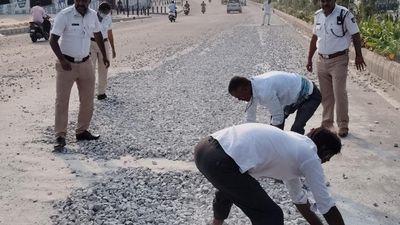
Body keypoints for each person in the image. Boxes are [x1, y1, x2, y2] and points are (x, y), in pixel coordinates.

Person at [194, 123, 345, 225]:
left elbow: (299, 198)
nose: (324, 162)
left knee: (229, 189)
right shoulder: (310, 155)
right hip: (221, 162)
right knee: (271, 216)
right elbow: (326, 204)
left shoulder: (293, 144)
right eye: (327, 158)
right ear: (325, 150)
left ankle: (216, 223)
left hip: (203, 150)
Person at [49, 0, 110, 152]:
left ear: (89, 1)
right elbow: (53, 39)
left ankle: (82, 131)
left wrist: (104, 55)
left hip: (85, 63)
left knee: (88, 99)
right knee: (62, 101)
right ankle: (60, 136)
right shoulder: (64, 15)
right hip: (66, 65)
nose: (82, 2)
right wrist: (62, 60)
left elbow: (97, 35)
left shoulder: (93, 16)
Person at [306, 0, 366, 138]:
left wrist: (359, 55)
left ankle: (343, 125)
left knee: (339, 93)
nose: (325, 3)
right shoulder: (318, 15)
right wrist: (309, 58)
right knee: (326, 96)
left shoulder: (344, 14)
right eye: (323, 0)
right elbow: (315, 37)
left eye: (328, 0)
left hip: (339, 60)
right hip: (321, 60)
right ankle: (327, 124)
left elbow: (355, 34)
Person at [229, 71, 321, 135]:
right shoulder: (252, 86)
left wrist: (272, 136)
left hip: (311, 95)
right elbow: (250, 118)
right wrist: (247, 134)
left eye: (239, 97)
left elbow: (278, 116)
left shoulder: (264, 92)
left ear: (245, 89)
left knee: (296, 130)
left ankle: (298, 153)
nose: (239, 100)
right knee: (275, 124)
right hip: (294, 95)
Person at [90, 2, 116, 100]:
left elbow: (110, 33)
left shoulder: (108, 17)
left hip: (104, 44)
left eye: (107, 12)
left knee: (104, 68)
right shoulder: (91, 16)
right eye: (104, 12)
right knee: (90, 69)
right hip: (91, 43)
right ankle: (89, 93)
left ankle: (101, 93)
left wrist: (113, 48)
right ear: (99, 10)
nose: (105, 14)